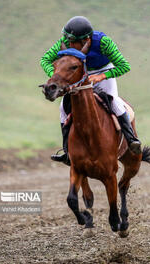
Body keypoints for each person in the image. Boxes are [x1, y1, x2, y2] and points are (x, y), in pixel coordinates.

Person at [40, 16, 141, 165]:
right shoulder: (65, 42)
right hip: (76, 75)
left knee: (115, 104)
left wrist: (101, 76)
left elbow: (124, 66)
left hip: (103, 72)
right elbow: (45, 60)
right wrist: (57, 77)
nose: (69, 44)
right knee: (63, 108)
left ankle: (131, 140)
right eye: (67, 39)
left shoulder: (103, 42)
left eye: (73, 41)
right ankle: (66, 151)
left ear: (86, 39)